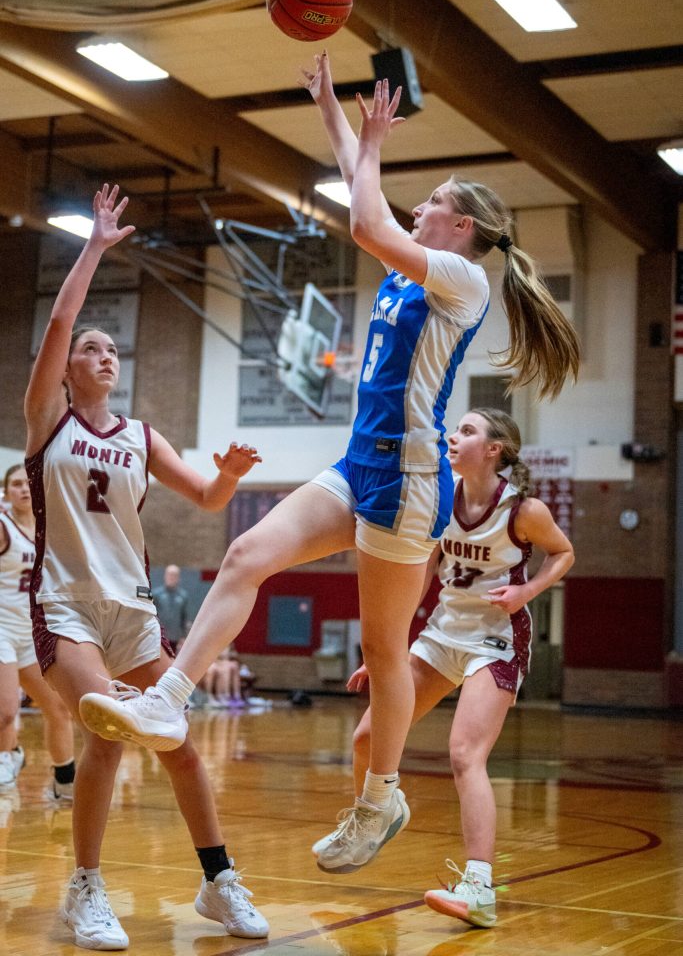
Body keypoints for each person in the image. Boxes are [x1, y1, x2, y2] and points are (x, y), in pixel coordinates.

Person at [78, 54, 580, 873]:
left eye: (436, 203)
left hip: (413, 479)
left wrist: (376, 142)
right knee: (246, 556)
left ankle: (379, 796)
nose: (421, 208)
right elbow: (361, 187)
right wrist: (331, 113)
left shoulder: (459, 278)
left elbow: (364, 217)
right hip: (358, 462)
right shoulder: (409, 265)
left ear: (462, 227)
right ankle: (170, 701)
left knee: (386, 653)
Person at [24, 184, 268, 950]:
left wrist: (229, 475)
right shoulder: (47, 418)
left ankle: (218, 881)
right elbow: (61, 321)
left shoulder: (138, 433)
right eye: (93, 349)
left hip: (131, 608)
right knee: (107, 732)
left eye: (112, 350)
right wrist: (94, 246)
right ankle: (86, 889)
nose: (104, 355)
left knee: (180, 744)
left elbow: (202, 497)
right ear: (68, 369)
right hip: (64, 604)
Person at [312, 408, 574, 923]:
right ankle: (379, 816)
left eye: (468, 431)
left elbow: (563, 553)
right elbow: (421, 574)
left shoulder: (523, 510)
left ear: (494, 449)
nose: (454, 436)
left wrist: (528, 589)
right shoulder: (439, 497)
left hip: (494, 639)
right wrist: (389, 653)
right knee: (367, 738)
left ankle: (478, 887)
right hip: (439, 634)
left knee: (463, 755)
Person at [0, 464, 76, 797]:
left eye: (28, 483)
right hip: (2, 628)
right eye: (15, 484)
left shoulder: (51, 529)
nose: (23, 489)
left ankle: (64, 781)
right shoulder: (3, 527)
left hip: (32, 633)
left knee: (58, 707)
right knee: (6, 711)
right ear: (6, 492)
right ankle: (8, 757)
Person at [153, 564, 192, 650]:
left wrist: (183, 636)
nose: (171, 577)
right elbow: (152, 615)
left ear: (178, 578)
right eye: (169, 575)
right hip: (159, 637)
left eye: (174, 575)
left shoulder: (183, 596)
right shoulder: (156, 594)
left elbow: (184, 618)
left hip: (175, 637)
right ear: (165, 576)